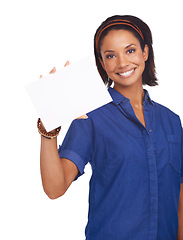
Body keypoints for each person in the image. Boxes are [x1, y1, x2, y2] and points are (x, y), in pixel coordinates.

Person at [38, 15, 183, 240]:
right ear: (102, 63)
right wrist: (49, 131)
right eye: (111, 55)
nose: (123, 63)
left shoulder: (172, 120)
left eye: (130, 50)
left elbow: (180, 195)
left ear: (145, 52)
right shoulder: (91, 116)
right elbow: (55, 188)